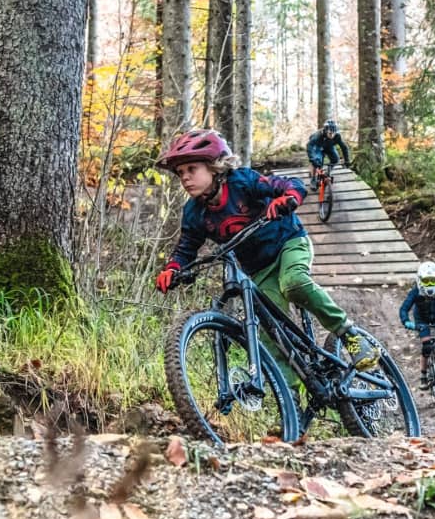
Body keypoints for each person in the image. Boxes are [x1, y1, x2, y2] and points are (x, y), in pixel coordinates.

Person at [154, 128, 379, 372]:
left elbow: (288, 184)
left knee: (293, 282)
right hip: (259, 269)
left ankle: (350, 336)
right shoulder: (193, 213)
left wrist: (288, 198)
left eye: (191, 169)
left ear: (214, 166)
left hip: (289, 243)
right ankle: (291, 396)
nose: (185, 178)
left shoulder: (242, 182)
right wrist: (173, 268)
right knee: (272, 334)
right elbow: (186, 247)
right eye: (180, 173)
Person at [306, 120, 350, 186]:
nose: (332, 135)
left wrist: (347, 161)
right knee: (317, 161)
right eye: (330, 133)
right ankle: (313, 179)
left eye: (334, 133)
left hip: (329, 146)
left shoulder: (337, 136)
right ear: (326, 131)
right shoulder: (318, 135)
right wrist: (312, 159)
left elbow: (344, 148)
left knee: (336, 159)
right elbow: (309, 146)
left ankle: (328, 171)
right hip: (318, 147)